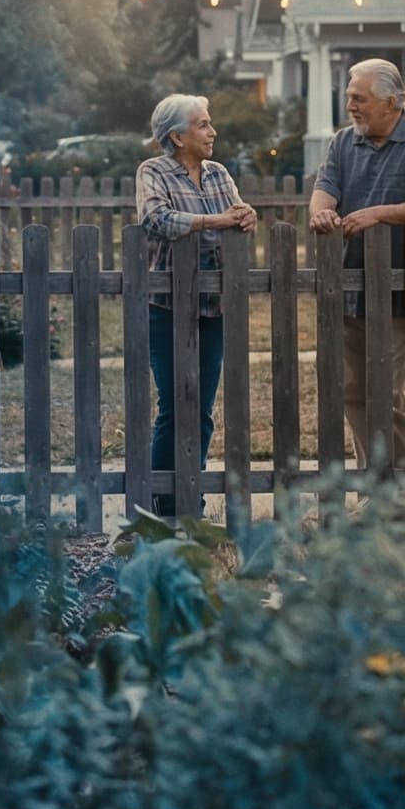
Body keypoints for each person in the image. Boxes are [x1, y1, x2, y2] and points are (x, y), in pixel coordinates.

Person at [306, 59, 405, 468]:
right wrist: (321, 212)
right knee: (353, 392)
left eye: (359, 98)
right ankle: (381, 484)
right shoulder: (342, 143)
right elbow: (324, 189)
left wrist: (378, 214)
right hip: (349, 289)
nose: (350, 106)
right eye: (349, 97)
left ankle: (400, 487)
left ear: (392, 102)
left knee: (385, 395)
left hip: (400, 295)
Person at [134, 94, 257, 514]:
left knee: (202, 407)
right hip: (166, 306)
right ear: (177, 136)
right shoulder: (153, 171)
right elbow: (156, 219)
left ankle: (192, 499)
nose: (212, 132)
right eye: (203, 124)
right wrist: (216, 221)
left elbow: (235, 217)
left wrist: (245, 217)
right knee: (174, 405)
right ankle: (164, 504)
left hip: (213, 306)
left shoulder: (218, 174)